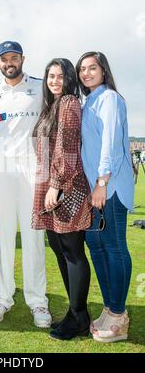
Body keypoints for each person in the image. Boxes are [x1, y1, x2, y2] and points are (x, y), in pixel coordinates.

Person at [0, 41, 51, 328]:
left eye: (14, 57)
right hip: (1, 170)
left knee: (35, 237)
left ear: (23, 58)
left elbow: (49, 128)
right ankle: (3, 297)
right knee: (4, 237)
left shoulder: (40, 88)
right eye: (4, 59)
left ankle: (38, 302)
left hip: (32, 170)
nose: (9, 62)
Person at [32, 58, 92, 340]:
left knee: (72, 251)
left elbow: (68, 148)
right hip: (50, 184)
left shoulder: (68, 103)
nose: (54, 81)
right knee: (59, 249)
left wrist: (55, 186)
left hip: (67, 186)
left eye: (60, 76)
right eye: (50, 76)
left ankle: (79, 316)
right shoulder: (50, 107)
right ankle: (74, 311)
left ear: (69, 79)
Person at [76, 51, 134, 342]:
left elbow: (111, 142)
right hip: (93, 189)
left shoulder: (109, 98)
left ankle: (119, 314)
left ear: (103, 70)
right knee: (96, 245)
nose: (86, 73)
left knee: (113, 247)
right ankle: (111, 307)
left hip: (108, 186)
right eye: (82, 69)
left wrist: (101, 181)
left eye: (92, 68)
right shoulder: (88, 101)